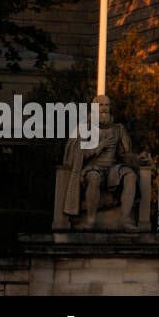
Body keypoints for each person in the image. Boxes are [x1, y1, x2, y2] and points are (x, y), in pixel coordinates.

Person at [62, 95, 142, 230]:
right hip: (92, 168)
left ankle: (125, 220)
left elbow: (125, 155)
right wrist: (100, 147)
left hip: (112, 170)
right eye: (101, 105)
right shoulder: (85, 128)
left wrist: (139, 159)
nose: (104, 108)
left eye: (107, 105)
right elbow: (79, 155)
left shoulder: (118, 129)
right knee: (94, 178)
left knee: (131, 176)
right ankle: (91, 220)